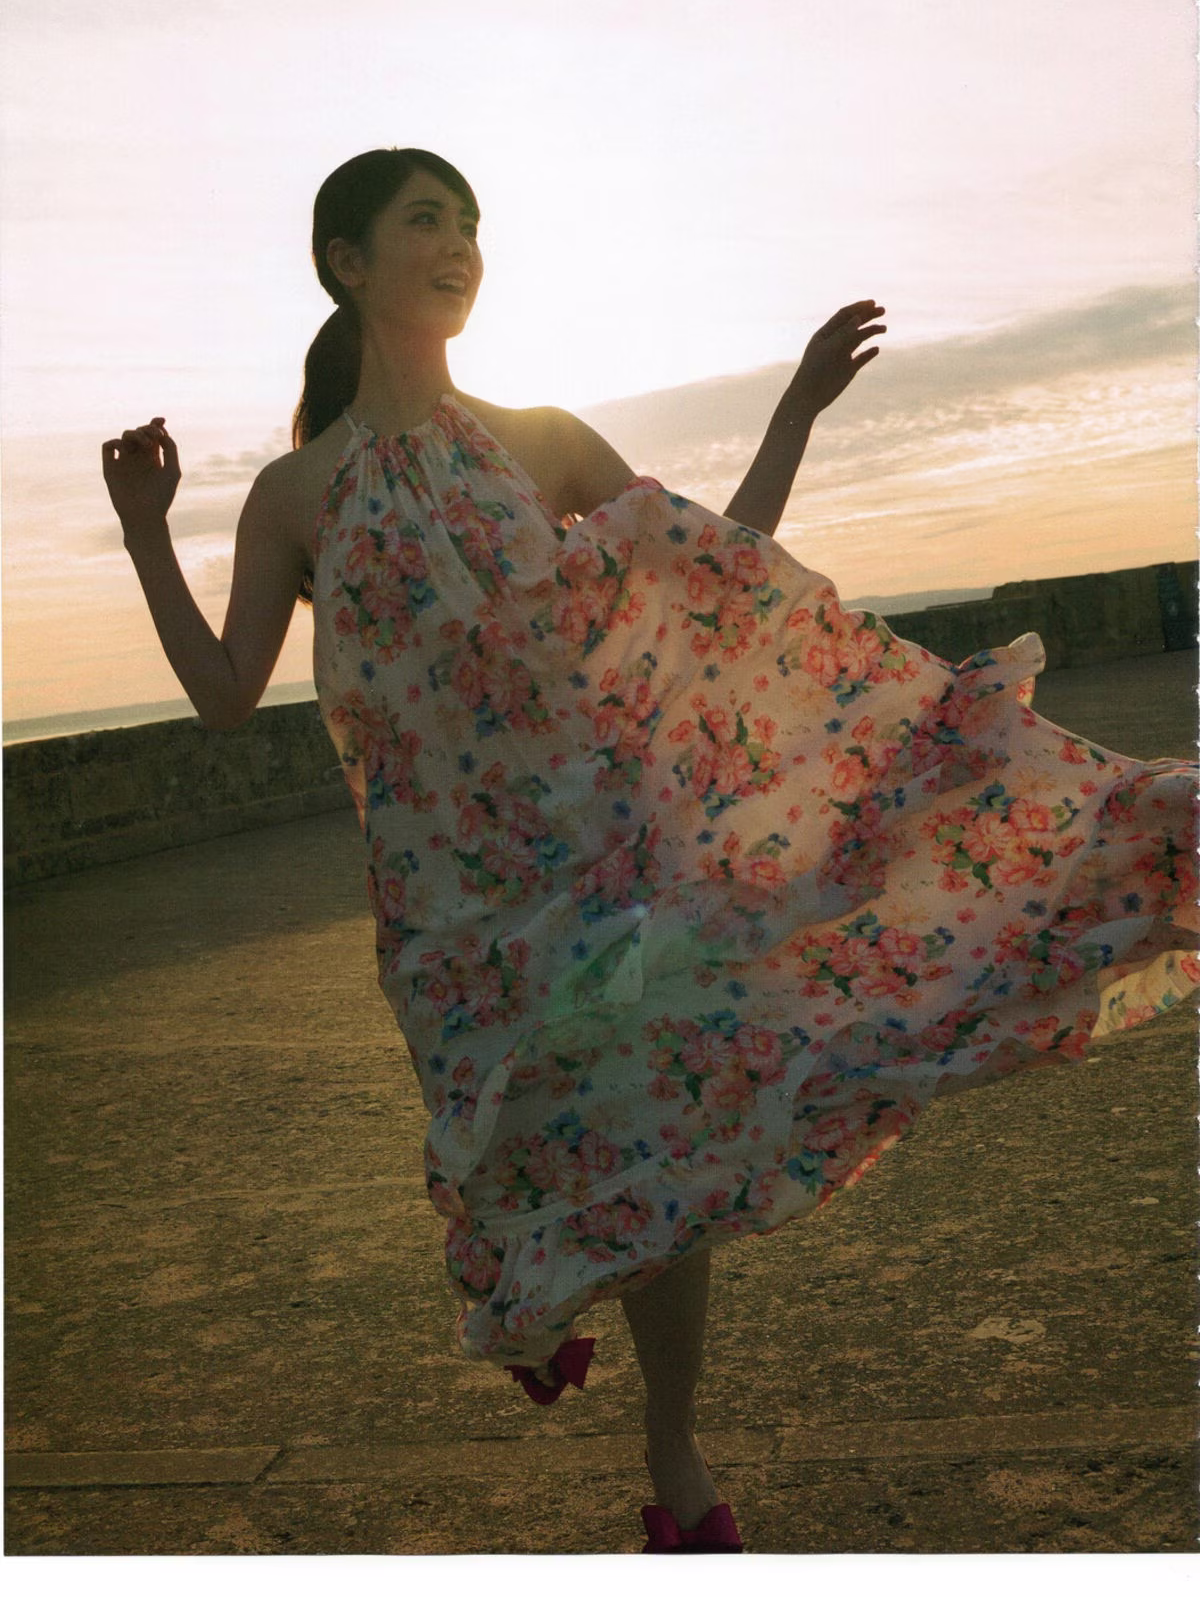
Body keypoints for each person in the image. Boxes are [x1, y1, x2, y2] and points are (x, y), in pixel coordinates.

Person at [103, 147, 1198, 1554]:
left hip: (608, 871)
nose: (461, 244)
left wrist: (795, 407)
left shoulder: (540, 440)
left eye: (472, 223)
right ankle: (544, 1293)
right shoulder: (295, 495)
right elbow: (225, 690)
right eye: (427, 220)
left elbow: (715, 573)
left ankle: (673, 1458)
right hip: (450, 916)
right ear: (346, 261)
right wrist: (147, 536)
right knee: (515, 1147)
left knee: (655, 1147)